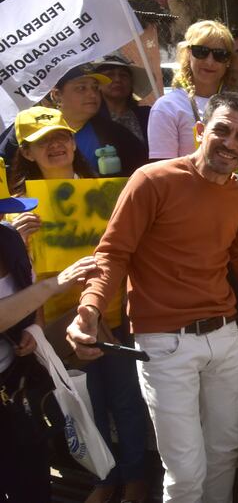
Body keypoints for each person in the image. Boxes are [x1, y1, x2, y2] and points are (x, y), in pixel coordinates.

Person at [66, 92, 238, 502]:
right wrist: (89, 307)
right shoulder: (151, 180)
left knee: (224, 454)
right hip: (163, 343)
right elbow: (112, 253)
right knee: (186, 471)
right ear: (200, 131)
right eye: (222, 130)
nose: (231, 143)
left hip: (226, 339)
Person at [7, 106, 149, 503]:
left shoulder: (107, 192)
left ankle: (136, 479)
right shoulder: (12, 210)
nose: (56, 145)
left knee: (126, 399)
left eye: (62, 136)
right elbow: (13, 281)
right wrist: (14, 241)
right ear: (27, 152)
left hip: (113, 314)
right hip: (53, 326)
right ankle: (105, 480)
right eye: (42, 141)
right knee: (86, 405)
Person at [0, 190, 98, 502]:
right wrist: (53, 285)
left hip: (16, 388)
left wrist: (34, 326)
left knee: (32, 483)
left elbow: (26, 292)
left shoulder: (9, 239)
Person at [0, 63, 149, 177]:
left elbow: (142, 174)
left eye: (95, 88)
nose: (92, 95)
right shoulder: (29, 127)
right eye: (81, 88)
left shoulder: (116, 134)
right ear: (57, 95)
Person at [148, 20, 238, 160]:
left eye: (220, 54)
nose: (209, 61)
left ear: (228, 61)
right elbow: (163, 172)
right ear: (188, 54)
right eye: (201, 52)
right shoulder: (167, 107)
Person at [95, 53, 154, 146]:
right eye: (109, 75)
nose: (117, 79)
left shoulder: (148, 116)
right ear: (97, 84)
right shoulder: (90, 120)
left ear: (131, 83)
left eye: (123, 75)